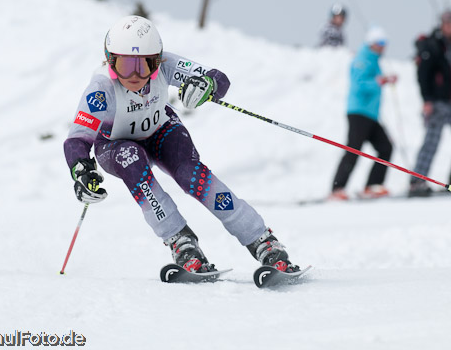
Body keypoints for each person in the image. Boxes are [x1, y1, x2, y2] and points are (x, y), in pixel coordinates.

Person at [63, 15, 299, 274]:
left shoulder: (166, 66)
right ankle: (180, 240)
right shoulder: (101, 88)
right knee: (132, 159)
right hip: (115, 145)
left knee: (191, 174)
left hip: (160, 130)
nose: (134, 75)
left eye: (144, 66)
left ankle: (262, 240)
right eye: (123, 65)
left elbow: (218, 78)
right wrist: (82, 170)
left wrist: (208, 84)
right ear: (109, 61)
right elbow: (77, 138)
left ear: (157, 60)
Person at [330, 27, 397, 200]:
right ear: (372, 43)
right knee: (353, 149)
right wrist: (379, 81)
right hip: (358, 112)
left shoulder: (374, 61)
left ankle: (373, 185)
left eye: (385, 43)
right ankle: (337, 189)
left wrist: (383, 80)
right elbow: (359, 84)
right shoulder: (362, 59)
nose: (383, 47)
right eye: (380, 43)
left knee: (386, 147)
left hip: (371, 115)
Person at [409, 10, 451, 197]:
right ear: (441, 24)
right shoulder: (433, 45)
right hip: (436, 102)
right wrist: (427, 99)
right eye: (448, 22)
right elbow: (423, 75)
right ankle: (417, 181)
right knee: (431, 142)